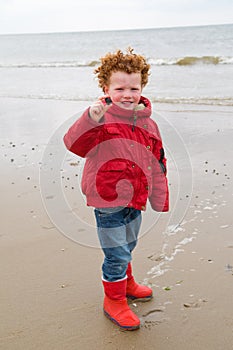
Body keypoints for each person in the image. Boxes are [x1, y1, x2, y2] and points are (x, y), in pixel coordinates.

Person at [63, 48, 169, 330]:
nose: (127, 93)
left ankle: (128, 281)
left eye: (133, 87)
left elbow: (158, 161)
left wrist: (160, 196)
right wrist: (90, 118)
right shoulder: (101, 119)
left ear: (142, 88)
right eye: (119, 87)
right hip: (107, 197)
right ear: (106, 88)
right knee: (116, 253)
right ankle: (114, 300)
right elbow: (76, 145)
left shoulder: (149, 124)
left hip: (136, 198)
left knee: (129, 244)